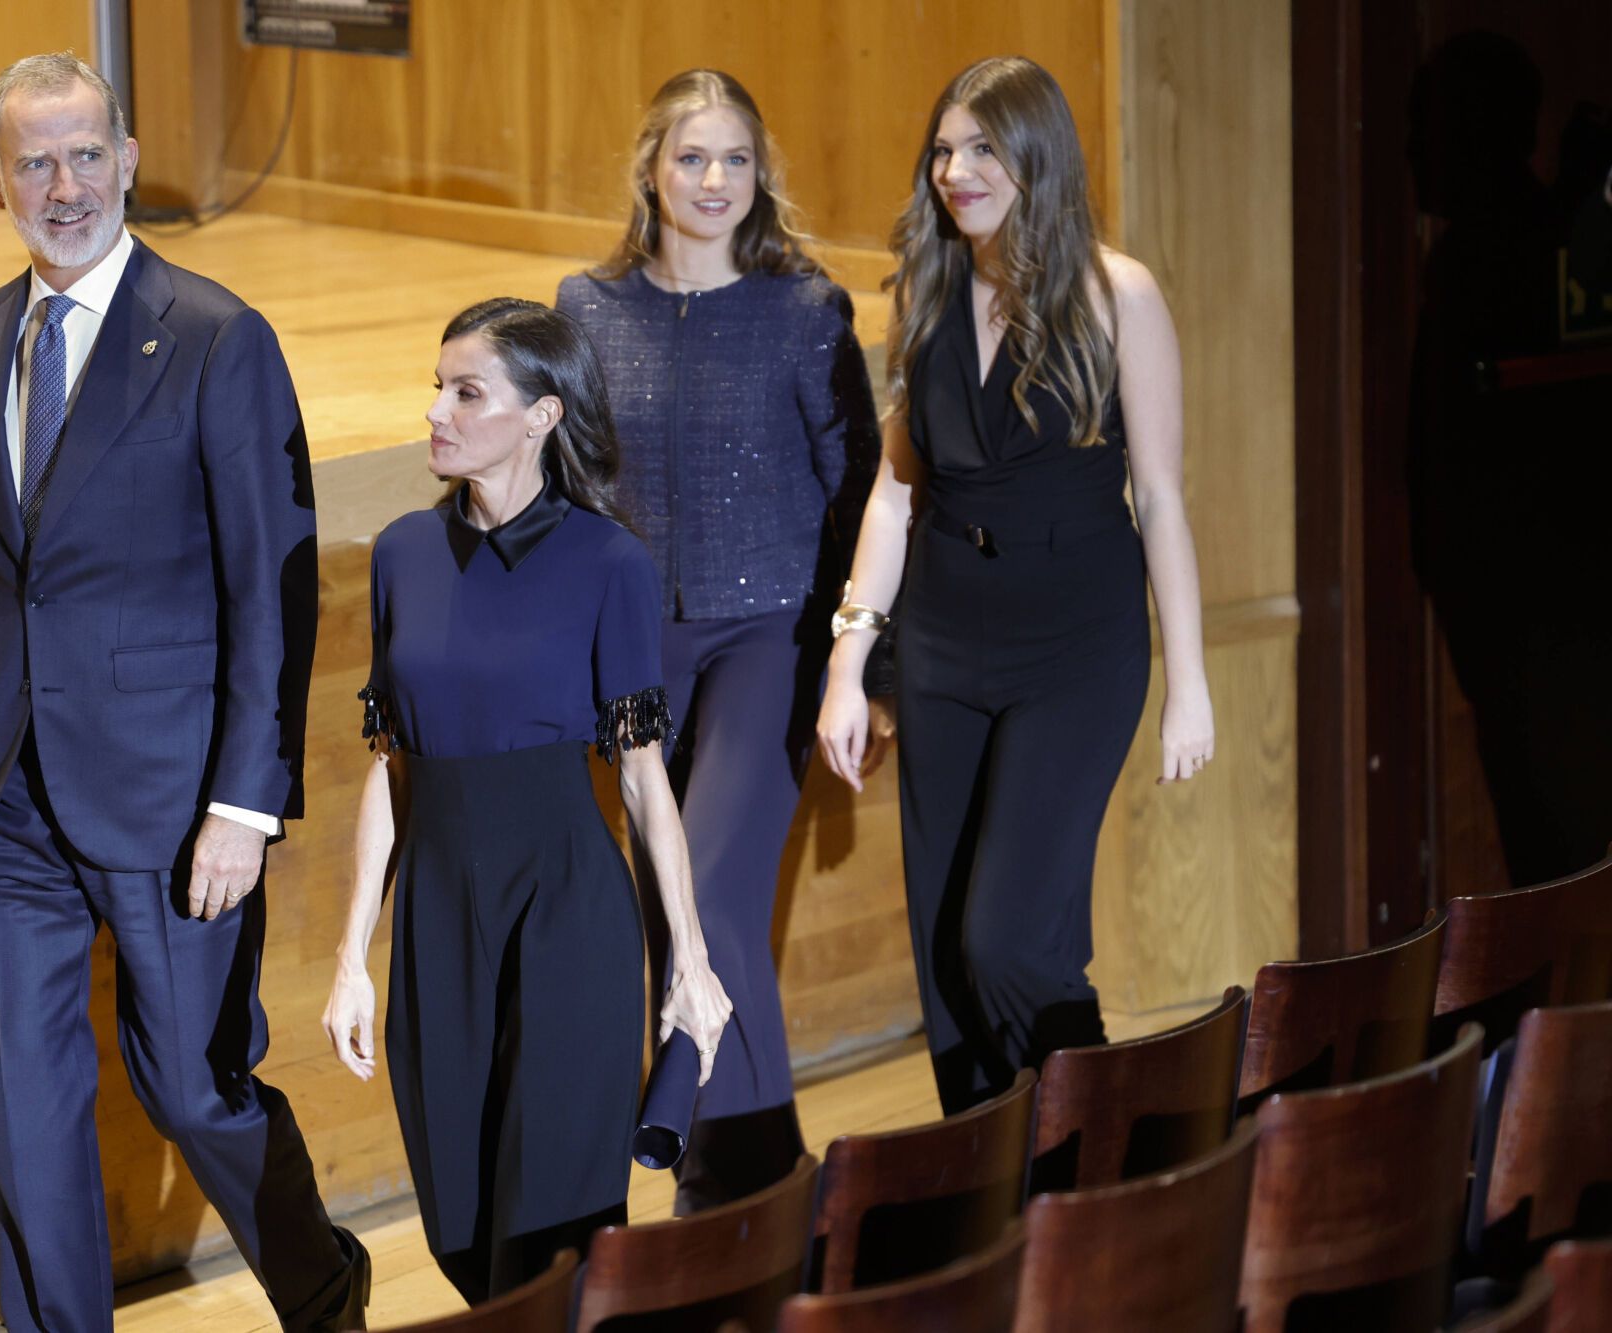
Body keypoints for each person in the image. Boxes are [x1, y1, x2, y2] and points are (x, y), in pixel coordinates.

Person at [0, 52, 367, 1332]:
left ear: (129, 159)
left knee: (194, 1089)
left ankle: (323, 1290)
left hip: (172, 802)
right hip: (3, 799)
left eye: (86, 155)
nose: (66, 186)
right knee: (27, 1115)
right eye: (35, 164)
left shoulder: (217, 336)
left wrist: (245, 804)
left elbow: (270, 588)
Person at [816, 56, 1215, 1114]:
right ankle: (1001, 1190)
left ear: (1039, 154)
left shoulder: (1117, 292)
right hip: (944, 644)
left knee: (1006, 940)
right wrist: (850, 662)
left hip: (1074, 647)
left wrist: (1189, 683)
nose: (954, 171)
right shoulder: (931, 288)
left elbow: (1159, 497)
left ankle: (1118, 1144)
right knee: (947, 961)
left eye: (982, 148)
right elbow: (894, 494)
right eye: (944, 151)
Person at [320, 298, 734, 1304]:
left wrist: (688, 957)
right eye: (437, 389)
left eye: (468, 393)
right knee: (462, 1231)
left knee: (553, 1235)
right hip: (436, 924)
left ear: (543, 415)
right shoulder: (400, 554)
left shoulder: (608, 563)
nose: (437, 412)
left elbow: (643, 779)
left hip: (565, 911)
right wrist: (349, 957)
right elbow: (390, 765)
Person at [554, 69, 882, 1212]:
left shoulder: (802, 311)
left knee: (710, 894)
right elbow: (570, 481)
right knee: (665, 907)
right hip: (637, 645)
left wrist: (865, 666)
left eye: (734, 160)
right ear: (649, 169)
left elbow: (859, 492)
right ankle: (750, 1181)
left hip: (767, 638)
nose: (712, 180)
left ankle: (739, 1188)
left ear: (760, 175)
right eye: (690, 158)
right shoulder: (587, 309)